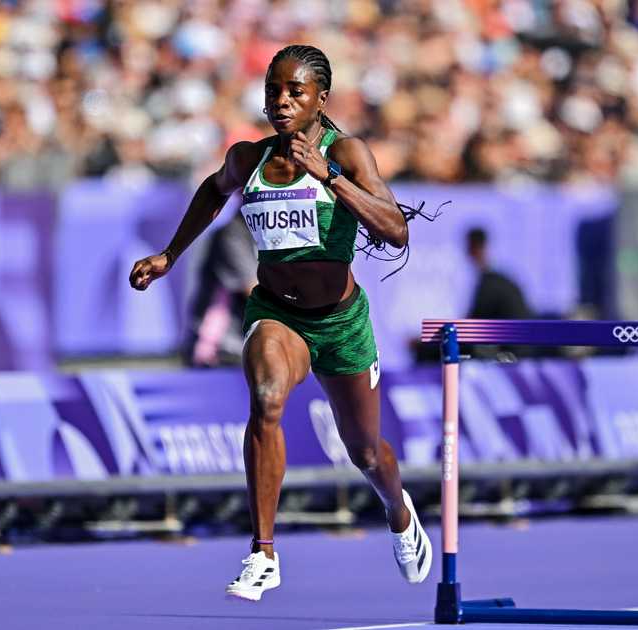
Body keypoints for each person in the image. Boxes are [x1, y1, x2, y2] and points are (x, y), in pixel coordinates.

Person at [129, 45, 430, 601]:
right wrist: (170, 255)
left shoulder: (349, 152)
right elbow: (211, 193)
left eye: (295, 91)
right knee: (266, 399)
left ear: (322, 99)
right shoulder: (249, 159)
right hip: (277, 312)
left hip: (340, 322)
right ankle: (263, 552)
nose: (282, 101)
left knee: (366, 452)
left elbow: (396, 230)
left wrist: (332, 176)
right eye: (274, 90)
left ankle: (399, 510)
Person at [182, 212, 259, 367]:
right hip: (221, 351)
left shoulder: (281, 236)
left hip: (250, 349)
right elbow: (256, 292)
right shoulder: (232, 233)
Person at [464, 227, 534, 360]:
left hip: (510, 355)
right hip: (520, 350)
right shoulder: (500, 281)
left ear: (471, 248)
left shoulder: (490, 284)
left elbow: (470, 326)